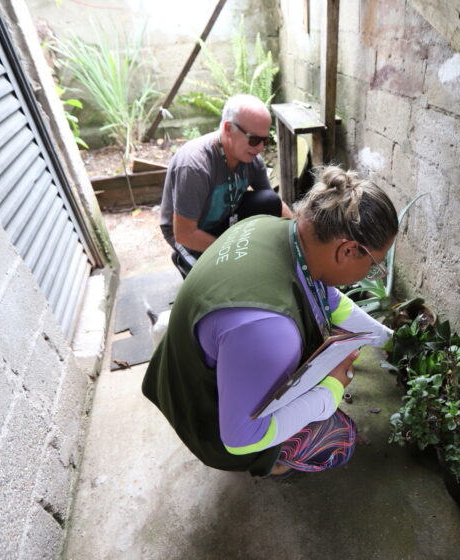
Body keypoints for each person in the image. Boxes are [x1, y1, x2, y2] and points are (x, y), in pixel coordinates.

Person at [143, 166, 399, 479]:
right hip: (206, 417)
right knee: (337, 441)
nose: (373, 275)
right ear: (347, 250)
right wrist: (332, 388)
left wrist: (391, 340)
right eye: (373, 267)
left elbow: (331, 301)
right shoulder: (271, 330)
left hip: (180, 373)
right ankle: (273, 463)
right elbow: (240, 438)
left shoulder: (274, 228)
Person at [159, 93, 293, 277]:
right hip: (189, 234)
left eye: (265, 140)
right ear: (228, 128)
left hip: (225, 219)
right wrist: (234, 253)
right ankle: (185, 259)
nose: (260, 148)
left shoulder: (251, 158)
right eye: (254, 139)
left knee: (269, 200)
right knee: (229, 279)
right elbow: (184, 233)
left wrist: (297, 235)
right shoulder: (194, 166)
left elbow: (274, 204)